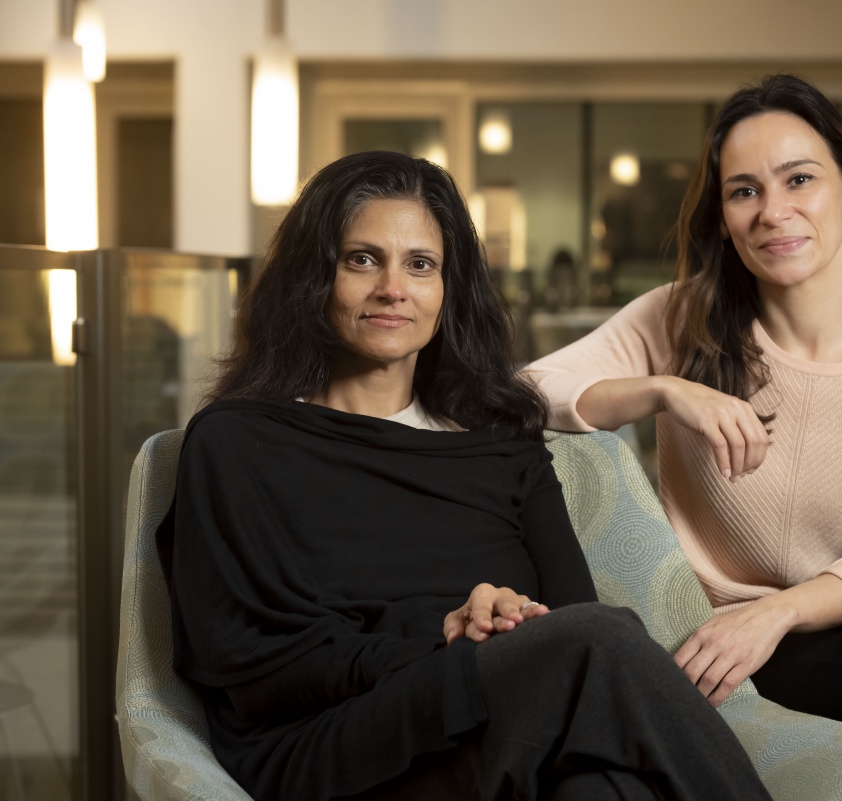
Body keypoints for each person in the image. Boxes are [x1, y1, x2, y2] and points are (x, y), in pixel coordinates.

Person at [156, 151, 771, 801]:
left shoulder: (501, 442)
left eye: (420, 264)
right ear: (315, 276)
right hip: (332, 744)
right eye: (362, 258)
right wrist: (451, 632)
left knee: (602, 788)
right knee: (599, 644)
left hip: (495, 725)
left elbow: (567, 618)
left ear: (448, 288)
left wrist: (506, 630)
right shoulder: (238, 442)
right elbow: (250, 663)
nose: (393, 287)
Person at [525, 75, 842, 801]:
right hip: (697, 644)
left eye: (798, 178)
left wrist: (775, 613)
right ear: (724, 215)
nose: (773, 211)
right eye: (743, 191)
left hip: (825, 643)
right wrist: (663, 389)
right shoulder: (684, 320)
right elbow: (520, 393)